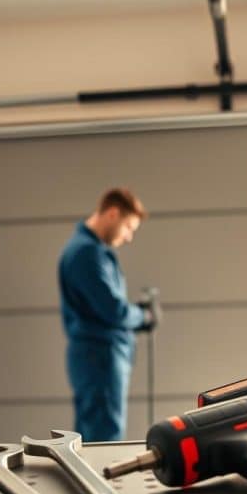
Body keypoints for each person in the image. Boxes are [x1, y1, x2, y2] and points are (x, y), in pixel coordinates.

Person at [58, 188, 159, 442]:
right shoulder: (87, 253)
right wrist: (143, 316)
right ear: (113, 214)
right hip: (100, 358)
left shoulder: (84, 249)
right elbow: (113, 310)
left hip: (94, 358)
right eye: (128, 227)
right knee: (104, 440)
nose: (129, 237)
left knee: (92, 437)